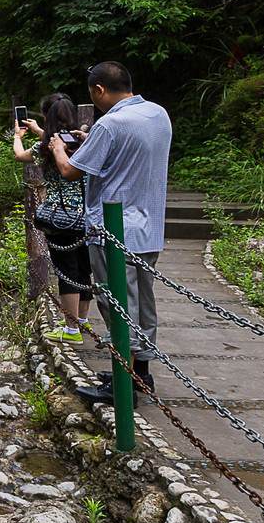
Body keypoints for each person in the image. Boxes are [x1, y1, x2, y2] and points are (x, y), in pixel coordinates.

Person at [47, 59, 172, 401]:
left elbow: (71, 171)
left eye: (92, 94)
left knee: (116, 304)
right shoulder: (157, 113)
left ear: (99, 90)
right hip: (149, 228)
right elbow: (128, 153)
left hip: (113, 231)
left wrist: (59, 149)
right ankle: (139, 373)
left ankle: (123, 387)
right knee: (143, 302)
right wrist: (91, 139)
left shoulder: (111, 123)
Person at [13, 93, 92, 343]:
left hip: (61, 218)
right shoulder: (85, 142)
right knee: (83, 270)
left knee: (66, 272)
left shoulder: (45, 145)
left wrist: (18, 136)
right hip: (88, 216)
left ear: (47, 118)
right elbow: (62, 145)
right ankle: (81, 321)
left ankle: (70, 330)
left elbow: (20, 155)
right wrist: (40, 131)